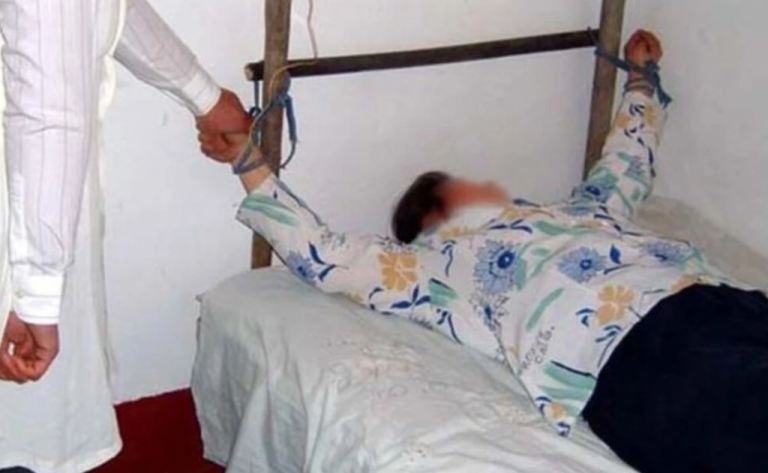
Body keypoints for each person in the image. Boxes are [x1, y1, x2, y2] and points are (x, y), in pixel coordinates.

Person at [203, 30, 768, 473]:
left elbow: (628, 161)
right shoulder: (437, 271)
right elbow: (326, 257)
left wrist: (641, 77)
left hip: (717, 300)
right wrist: (247, 161)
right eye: (463, 190)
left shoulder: (578, 211)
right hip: (633, 355)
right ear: (435, 216)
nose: (488, 191)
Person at [0, 0, 250, 471]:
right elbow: (49, 111)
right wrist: (37, 294)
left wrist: (206, 97)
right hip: (20, 223)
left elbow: (104, 10)